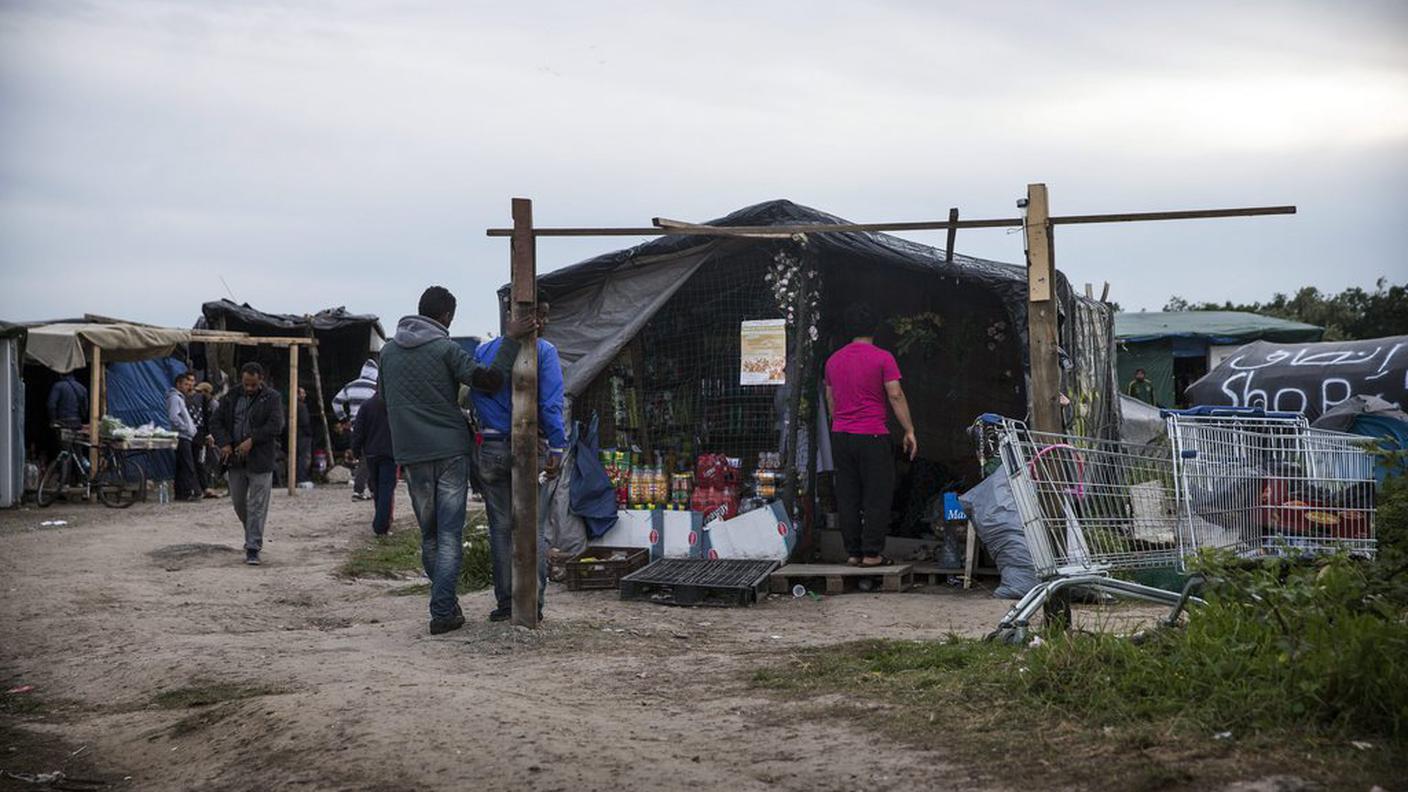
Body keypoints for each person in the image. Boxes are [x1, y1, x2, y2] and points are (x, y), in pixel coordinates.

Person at [379, 285, 533, 635]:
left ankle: (446, 604)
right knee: (449, 535)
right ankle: (442, 610)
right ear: (446, 316)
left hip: (411, 454)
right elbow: (490, 382)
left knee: (430, 536)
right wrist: (510, 340)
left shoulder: (387, 353)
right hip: (449, 451)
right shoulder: (445, 349)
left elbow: (384, 399)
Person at [471, 302, 565, 623]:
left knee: (500, 527)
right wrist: (557, 447)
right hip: (531, 446)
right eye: (545, 314)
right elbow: (551, 405)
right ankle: (532, 602)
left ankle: (506, 602)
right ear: (538, 317)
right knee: (534, 525)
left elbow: (474, 394)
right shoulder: (545, 351)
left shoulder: (483, 352)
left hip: (491, 445)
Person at [824, 303, 917, 568]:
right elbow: (895, 394)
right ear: (874, 329)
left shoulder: (833, 360)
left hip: (841, 435)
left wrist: (841, 422)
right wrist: (909, 430)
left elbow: (830, 399)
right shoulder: (882, 358)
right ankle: (872, 553)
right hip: (873, 435)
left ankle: (853, 552)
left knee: (848, 494)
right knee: (877, 494)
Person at [211, 362, 285, 566]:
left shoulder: (272, 398)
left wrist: (253, 440)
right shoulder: (232, 396)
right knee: (239, 504)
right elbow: (215, 422)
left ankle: (253, 547)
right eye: (246, 384)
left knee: (257, 506)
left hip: (261, 460)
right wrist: (224, 443)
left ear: (261, 379)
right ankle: (251, 531)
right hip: (235, 460)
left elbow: (276, 425)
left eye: (253, 384)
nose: (249, 388)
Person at [351, 387, 395, 536]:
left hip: (371, 454)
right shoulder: (394, 404)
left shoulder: (366, 406)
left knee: (377, 488)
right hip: (390, 453)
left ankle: (381, 521)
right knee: (386, 489)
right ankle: (381, 524)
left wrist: (356, 451)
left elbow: (358, 430)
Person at [333, 359, 379, 501]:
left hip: (354, 427)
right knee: (368, 459)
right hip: (372, 428)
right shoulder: (375, 387)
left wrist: (344, 419)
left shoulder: (350, 386)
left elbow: (336, 402)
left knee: (364, 457)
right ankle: (358, 491)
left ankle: (372, 490)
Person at [167, 372, 201, 502]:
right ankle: (191, 491)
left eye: (189, 384)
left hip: (186, 436)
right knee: (188, 465)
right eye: (185, 384)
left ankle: (181, 493)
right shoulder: (175, 398)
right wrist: (186, 428)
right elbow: (174, 417)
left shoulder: (180, 398)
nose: (188, 386)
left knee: (182, 465)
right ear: (178, 384)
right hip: (182, 436)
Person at [294, 387, 313, 484]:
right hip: (303, 435)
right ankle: (302, 478)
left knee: (297, 457)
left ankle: (297, 477)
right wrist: (309, 433)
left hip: (295, 435)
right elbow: (305, 422)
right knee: (303, 457)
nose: (304, 395)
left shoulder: (291, 406)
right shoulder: (301, 406)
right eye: (302, 393)